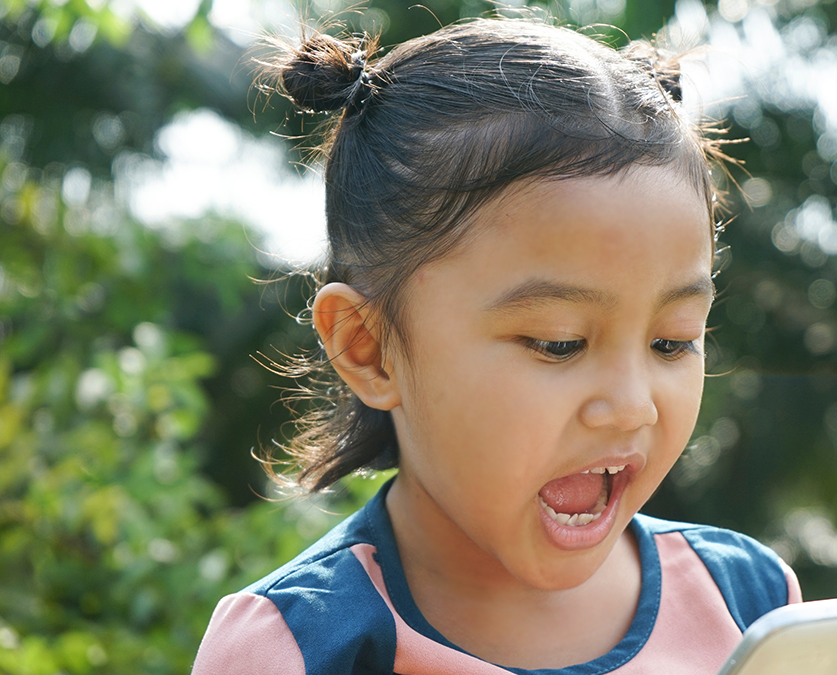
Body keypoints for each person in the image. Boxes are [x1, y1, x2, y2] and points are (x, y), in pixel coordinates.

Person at [192, 16, 801, 675]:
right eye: (559, 343)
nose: (632, 406)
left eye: (672, 342)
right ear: (369, 347)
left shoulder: (753, 609)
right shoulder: (302, 646)